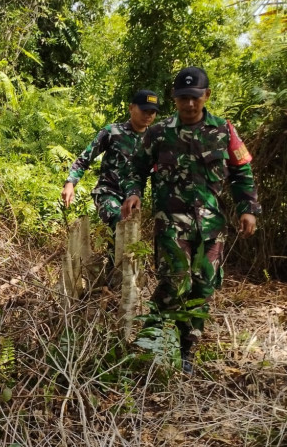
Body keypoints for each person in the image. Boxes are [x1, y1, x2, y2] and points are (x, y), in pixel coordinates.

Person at [121, 66, 260, 373]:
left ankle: (187, 353)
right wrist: (133, 192)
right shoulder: (160, 132)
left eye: (195, 97)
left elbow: (241, 172)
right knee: (174, 279)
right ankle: (149, 342)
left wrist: (248, 208)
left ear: (206, 96)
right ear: (175, 97)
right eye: (183, 98)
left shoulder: (224, 131)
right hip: (171, 223)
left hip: (211, 227)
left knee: (202, 288)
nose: (189, 104)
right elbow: (135, 168)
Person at [61, 89, 160, 263]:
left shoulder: (153, 140)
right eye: (144, 110)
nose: (148, 115)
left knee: (131, 238)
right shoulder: (112, 132)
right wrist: (70, 182)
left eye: (152, 112)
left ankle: (115, 273)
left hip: (133, 197)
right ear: (131, 108)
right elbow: (85, 158)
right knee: (118, 220)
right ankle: (113, 273)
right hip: (107, 193)